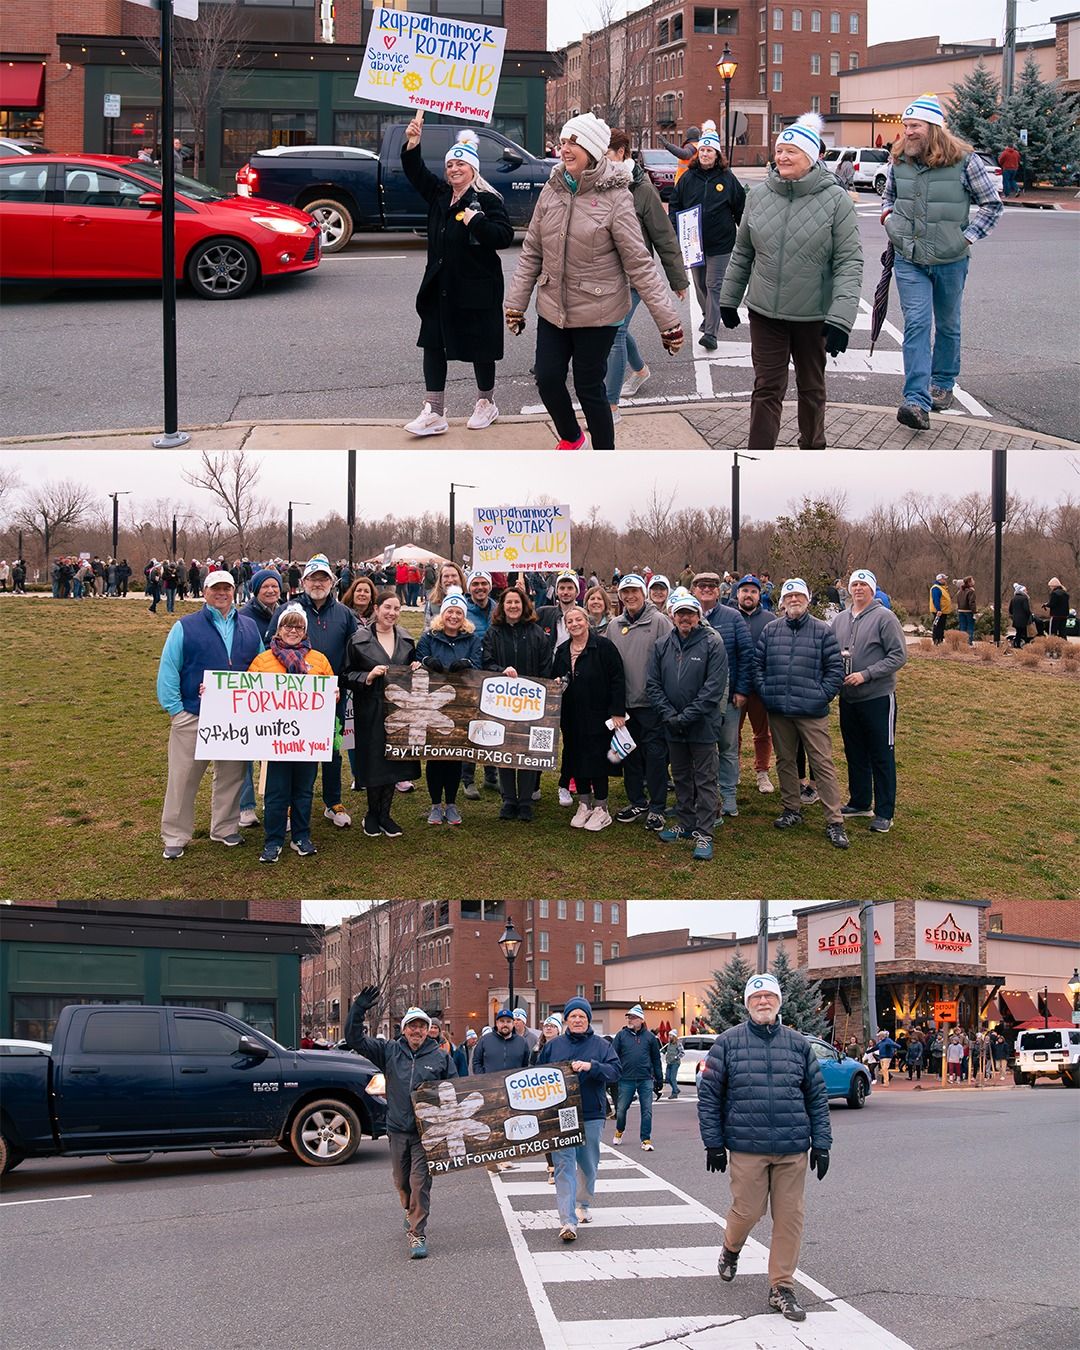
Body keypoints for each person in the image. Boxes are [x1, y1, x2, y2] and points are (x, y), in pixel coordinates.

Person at [505, 112, 684, 450]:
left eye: (573, 142)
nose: (565, 148)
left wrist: (668, 322)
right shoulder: (552, 190)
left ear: (592, 148)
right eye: (563, 142)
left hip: (598, 312)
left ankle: (604, 454)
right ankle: (572, 437)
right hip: (552, 307)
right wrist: (516, 303)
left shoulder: (617, 197)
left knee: (589, 387)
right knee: (547, 379)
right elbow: (531, 251)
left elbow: (640, 263)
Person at [719, 112, 862, 449]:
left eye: (791, 151)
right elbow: (743, 251)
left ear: (810, 157)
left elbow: (849, 261)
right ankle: (759, 456)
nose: (782, 156)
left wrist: (841, 319)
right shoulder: (758, 195)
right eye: (779, 150)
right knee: (767, 387)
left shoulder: (835, 200)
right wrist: (729, 298)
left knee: (812, 388)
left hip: (813, 315)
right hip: (765, 312)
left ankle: (812, 446)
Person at [698, 973, 832, 1324]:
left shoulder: (798, 1045)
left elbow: (816, 1096)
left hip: (792, 1148)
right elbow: (709, 1095)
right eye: (756, 997)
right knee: (747, 1212)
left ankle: (781, 1287)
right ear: (747, 1003)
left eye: (769, 996)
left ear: (778, 1003)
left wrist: (822, 1143)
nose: (763, 1002)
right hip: (747, 1146)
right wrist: (713, 1142)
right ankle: (731, 1248)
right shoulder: (727, 1043)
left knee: (790, 1219)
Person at [881, 95, 1004, 429]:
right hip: (909, 258)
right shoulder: (899, 159)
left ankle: (943, 383)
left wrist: (966, 238)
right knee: (917, 324)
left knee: (948, 325)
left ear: (933, 128)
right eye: (906, 126)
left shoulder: (965, 161)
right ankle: (915, 401)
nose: (908, 132)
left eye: (915, 126)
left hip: (951, 259)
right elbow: (888, 196)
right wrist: (889, 219)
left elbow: (992, 205)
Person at [397, 114, 514, 436]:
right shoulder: (438, 195)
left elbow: (503, 237)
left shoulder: (488, 199)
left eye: (460, 165)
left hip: (477, 287)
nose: (454, 170)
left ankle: (486, 403)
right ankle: (434, 412)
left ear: (473, 169)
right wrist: (413, 142)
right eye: (450, 165)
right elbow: (414, 171)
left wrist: (476, 221)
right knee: (433, 343)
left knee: (481, 346)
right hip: (440, 285)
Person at [156, 570, 262, 859]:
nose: (222, 593)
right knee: (183, 777)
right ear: (205, 592)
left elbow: (264, 668)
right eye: (216, 588)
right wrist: (176, 711)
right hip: (193, 713)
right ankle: (175, 834)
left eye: (227, 588)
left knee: (232, 774)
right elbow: (168, 669)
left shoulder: (250, 627)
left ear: (234, 591)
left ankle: (225, 827)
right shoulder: (185, 626)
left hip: (236, 717)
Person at [345, 990, 456, 1259]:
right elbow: (354, 1039)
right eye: (412, 1026)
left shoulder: (440, 1058)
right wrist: (358, 1010)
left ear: (428, 1030)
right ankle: (409, 1209)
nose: (416, 1030)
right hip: (396, 1129)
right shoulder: (389, 1051)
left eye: (421, 1026)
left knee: (420, 1183)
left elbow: (455, 1091)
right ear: (404, 1029)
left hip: (426, 1133)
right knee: (401, 1182)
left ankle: (417, 1233)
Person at [754, 578, 849, 849]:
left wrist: (820, 695)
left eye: (799, 596)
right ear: (782, 602)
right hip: (780, 709)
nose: (794, 600)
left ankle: (835, 821)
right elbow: (758, 666)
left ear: (807, 600)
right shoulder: (771, 630)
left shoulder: (822, 631)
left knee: (822, 763)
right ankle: (791, 809)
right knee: (785, 761)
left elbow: (834, 671)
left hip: (811, 711)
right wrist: (767, 693)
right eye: (789, 596)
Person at [603, 127, 689, 412]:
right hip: (603, 275)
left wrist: (678, 280)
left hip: (633, 277)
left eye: (606, 153)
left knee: (614, 333)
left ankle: (609, 408)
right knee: (614, 328)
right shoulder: (598, 184)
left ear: (621, 153)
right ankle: (640, 370)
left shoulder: (642, 189)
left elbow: (664, 236)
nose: (602, 159)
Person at [268, 554, 358, 829]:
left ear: (332, 582)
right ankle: (286, 807)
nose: (318, 583)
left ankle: (333, 802)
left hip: (332, 694)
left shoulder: (344, 613)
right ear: (304, 580)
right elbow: (270, 644)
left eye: (323, 578)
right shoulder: (290, 608)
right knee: (293, 751)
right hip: (292, 698)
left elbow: (356, 648)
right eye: (313, 578)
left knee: (332, 748)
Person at [246, 604, 334, 863]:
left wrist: (334, 694)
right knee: (276, 792)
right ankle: (273, 841)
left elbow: (329, 690)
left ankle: (301, 836)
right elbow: (248, 696)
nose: (293, 631)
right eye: (288, 625)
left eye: (298, 626)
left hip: (307, 740)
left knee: (304, 790)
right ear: (278, 628)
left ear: (305, 630)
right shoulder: (263, 660)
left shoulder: (318, 660)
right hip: (275, 740)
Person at [646, 593, 729, 862]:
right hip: (672, 724)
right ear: (672, 615)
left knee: (705, 779)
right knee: (681, 776)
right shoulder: (662, 645)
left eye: (690, 613)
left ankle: (704, 831)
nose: (685, 618)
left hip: (702, 724)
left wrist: (686, 716)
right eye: (680, 613)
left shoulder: (712, 642)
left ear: (698, 615)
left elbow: (713, 688)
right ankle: (685, 821)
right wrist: (671, 715)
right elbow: (653, 684)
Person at [830, 568, 908, 835]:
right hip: (848, 699)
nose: (858, 589)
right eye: (854, 584)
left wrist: (866, 674)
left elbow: (898, 656)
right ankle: (861, 802)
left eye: (863, 585)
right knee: (855, 752)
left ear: (872, 590)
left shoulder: (885, 618)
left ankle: (885, 812)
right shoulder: (840, 619)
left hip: (877, 698)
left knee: (881, 754)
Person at [537, 997, 622, 1240]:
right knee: (564, 1165)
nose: (577, 1020)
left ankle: (583, 1203)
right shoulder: (553, 1047)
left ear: (588, 1020)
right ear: (565, 1020)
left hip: (592, 1113)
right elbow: (538, 1075)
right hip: (561, 1114)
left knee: (588, 1163)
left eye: (582, 1016)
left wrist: (591, 1067)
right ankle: (567, 1221)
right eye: (573, 1016)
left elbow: (616, 1072)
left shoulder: (601, 1046)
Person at [340, 589, 421, 838]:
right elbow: (345, 676)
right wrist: (367, 676)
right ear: (376, 609)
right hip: (371, 709)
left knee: (395, 764)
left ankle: (385, 814)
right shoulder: (358, 639)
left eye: (397, 609)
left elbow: (413, 677)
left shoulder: (407, 640)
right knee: (375, 763)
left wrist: (416, 668)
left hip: (399, 711)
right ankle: (372, 814)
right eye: (387, 607)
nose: (392, 613)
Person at [604, 573, 674, 832]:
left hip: (652, 704)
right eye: (625, 592)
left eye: (635, 591)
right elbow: (609, 666)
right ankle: (637, 801)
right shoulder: (614, 625)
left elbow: (670, 659)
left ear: (643, 594)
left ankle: (657, 807)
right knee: (628, 755)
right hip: (624, 707)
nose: (630, 596)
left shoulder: (659, 622)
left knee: (655, 756)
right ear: (620, 596)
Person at [551, 605, 627, 832]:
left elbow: (617, 679)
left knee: (597, 759)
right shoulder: (563, 650)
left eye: (578, 620)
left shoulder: (603, 647)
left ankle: (601, 807)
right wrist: (556, 683)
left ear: (587, 621)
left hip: (599, 714)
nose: (574, 624)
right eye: (570, 621)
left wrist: (617, 711)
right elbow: (554, 676)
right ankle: (584, 803)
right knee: (576, 757)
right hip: (572, 715)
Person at [480, 585, 553, 820]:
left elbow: (545, 666)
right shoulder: (494, 632)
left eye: (517, 602)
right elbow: (486, 662)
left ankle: (525, 800)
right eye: (508, 602)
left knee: (528, 750)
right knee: (505, 748)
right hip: (501, 701)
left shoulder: (536, 632)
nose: (513, 606)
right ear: (502, 606)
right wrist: (501, 671)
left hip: (530, 702)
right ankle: (509, 799)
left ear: (524, 605)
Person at [669, 128, 745, 352]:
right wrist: (674, 226)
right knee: (701, 285)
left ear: (717, 154)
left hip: (720, 243)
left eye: (709, 150)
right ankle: (707, 314)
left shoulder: (728, 179)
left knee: (714, 285)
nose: (704, 154)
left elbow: (741, 208)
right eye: (702, 150)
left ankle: (711, 332)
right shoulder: (688, 178)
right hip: (693, 242)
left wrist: (747, 238)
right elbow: (675, 204)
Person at [415, 590, 483, 825]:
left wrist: (467, 664)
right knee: (435, 757)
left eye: (458, 612)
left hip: (460, 704)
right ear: (442, 614)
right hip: (433, 704)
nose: (453, 616)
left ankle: (452, 804)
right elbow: (419, 657)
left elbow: (478, 663)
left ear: (463, 616)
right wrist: (427, 662)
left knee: (454, 756)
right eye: (449, 611)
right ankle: (435, 804)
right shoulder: (429, 637)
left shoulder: (472, 639)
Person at [691, 571, 754, 820]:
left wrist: (741, 690)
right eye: (701, 585)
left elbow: (746, 654)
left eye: (711, 586)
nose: (706, 589)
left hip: (728, 697)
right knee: (700, 749)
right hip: (696, 698)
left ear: (719, 590)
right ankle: (703, 794)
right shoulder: (686, 615)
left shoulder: (733, 617)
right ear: (694, 589)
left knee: (727, 747)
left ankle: (728, 792)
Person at [236, 567, 284, 828]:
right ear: (256, 590)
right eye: (265, 586)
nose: (270, 590)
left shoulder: (285, 612)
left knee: (275, 750)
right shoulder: (244, 617)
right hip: (252, 687)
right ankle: (245, 806)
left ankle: (273, 799)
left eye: (274, 586)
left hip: (279, 691)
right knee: (246, 750)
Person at [729, 575, 779, 794]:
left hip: (760, 686)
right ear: (737, 594)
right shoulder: (728, 616)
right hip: (735, 686)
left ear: (759, 595)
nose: (748, 595)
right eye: (744, 591)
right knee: (732, 732)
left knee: (762, 732)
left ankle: (762, 772)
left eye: (753, 591)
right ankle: (734, 770)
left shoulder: (770, 619)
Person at [611, 1005, 663, 1151]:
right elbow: (613, 1056)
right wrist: (613, 1074)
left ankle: (645, 1139)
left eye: (633, 1017)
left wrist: (659, 1080)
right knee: (621, 1109)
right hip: (625, 1078)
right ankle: (620, 1130)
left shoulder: (650, 1038)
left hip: (645, 1079)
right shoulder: (621, 1036)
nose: (630, 1020)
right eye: (629, 1017)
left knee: (647, 1110)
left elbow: (656, 1059)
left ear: (641, 1020)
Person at [472, 1008, 531, 1075]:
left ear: (513, 1024)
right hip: (490, 1083)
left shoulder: (522, 1042)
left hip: (512, 1083)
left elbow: (525, 1065)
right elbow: (477, 1062)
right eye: (502, 1021)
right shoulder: (485, 1040)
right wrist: (482, 1078)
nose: (505, 1024)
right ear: (497, 1023)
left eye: (508, 1021)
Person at [423, 561, 468, 630]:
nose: (450, 580)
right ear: (440, 580)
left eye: (454, 576)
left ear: (460, 578)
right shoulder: (432, 603)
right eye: (446, 576)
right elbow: (427, 629)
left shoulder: (469, 601)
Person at [1008, 583, 1033, 648]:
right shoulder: (1024, 598)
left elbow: (1010, 610)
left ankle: (1017, 644)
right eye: (1025, 590)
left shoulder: (1013, 599)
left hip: (1016, 619)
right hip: (1023, 619)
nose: (1027, 591)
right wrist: (1030, 615)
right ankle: (1025, 645)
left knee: (1018, 632)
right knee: (1025, 633)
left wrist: (1013, 616)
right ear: (1022, 591)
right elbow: (1026, 609)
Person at [929, 573, 952, 644]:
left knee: (941, 627)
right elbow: (936, 599)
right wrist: (938, 609)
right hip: (939, 611)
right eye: (944, 579)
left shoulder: (942, 588)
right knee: (938, 627)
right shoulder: (936, 588)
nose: (945, 580)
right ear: (940, 579)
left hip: (943, 611)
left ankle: (940, 640)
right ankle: (937, 641)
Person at [955, 576, 977, 646]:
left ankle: (962, 642)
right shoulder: (971, 591)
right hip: (969, 611)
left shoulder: (960, 591)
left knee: (962, 627)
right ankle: (969, 642)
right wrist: (974, 612)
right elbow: (972, 602)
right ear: (969, 582)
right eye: (972, 580)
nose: (974, 581)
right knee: (970, 626)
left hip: (960, 610)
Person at [663, 1029, 684, 1098]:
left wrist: (676, 1057)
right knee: (668, 1078)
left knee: (672, 1078)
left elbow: (682, 1053)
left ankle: (674, 1093)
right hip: (669, 1062)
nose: (669, 1036)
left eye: (671, 1035)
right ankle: (676, 1089)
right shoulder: (669, 1044)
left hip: (675, 1063)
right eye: (669, 1035)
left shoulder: (678, 1044)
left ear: (674, 1036)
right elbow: (665, 1051)